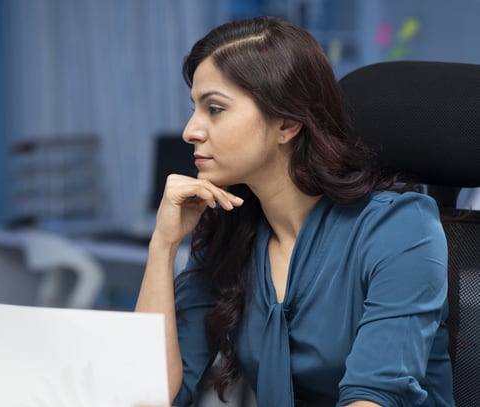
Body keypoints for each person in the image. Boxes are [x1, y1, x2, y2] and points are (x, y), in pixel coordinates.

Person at [134, 16, 454, 407]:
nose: (190, 130)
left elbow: (373, 397)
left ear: (286, 124)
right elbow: (152, 396)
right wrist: (162, 246)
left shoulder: (400, 227)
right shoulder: (230, 234)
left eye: (215, 109)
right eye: (194, 108)